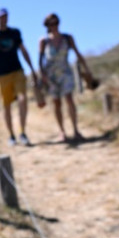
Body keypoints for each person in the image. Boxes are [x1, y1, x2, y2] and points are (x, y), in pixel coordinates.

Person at [0, 8, 38, 146]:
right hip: (1, 75)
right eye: (0, 17)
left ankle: (22, 132)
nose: (3, 19)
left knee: (23, 99)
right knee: (6, 106)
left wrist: (32, 69)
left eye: (5, 16)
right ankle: (11, 135)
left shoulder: (14, 33)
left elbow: (23, 50)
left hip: (17, 71)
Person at [38, 12, 97, 143]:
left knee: (69, 99)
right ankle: (62, 131)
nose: (54, 26)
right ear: (47, 25)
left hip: (65, 72)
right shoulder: (43, 41)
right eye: (51, 23)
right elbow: (40, 60)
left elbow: (77, 53)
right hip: (51, 75)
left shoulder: (67, 38)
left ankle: (76, 130)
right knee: (56, 102)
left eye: (56, 22)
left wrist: (87, 70)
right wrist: (42, 76)